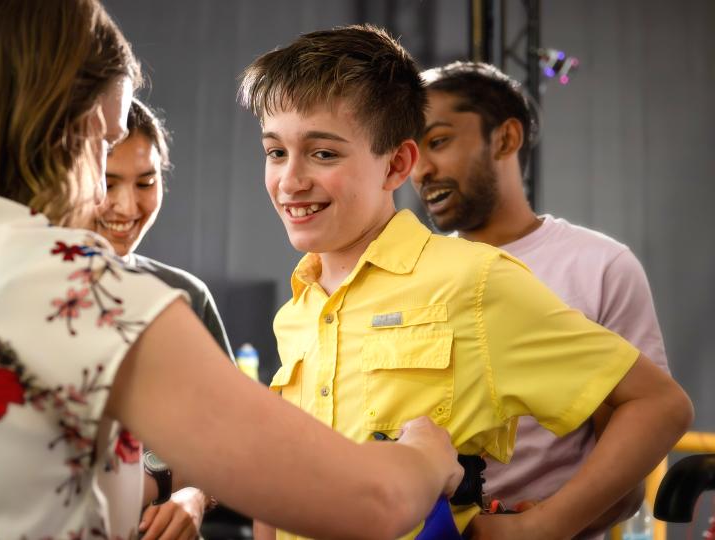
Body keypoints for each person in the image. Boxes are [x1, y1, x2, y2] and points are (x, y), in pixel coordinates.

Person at [0, 1, 465, 539]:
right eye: (104, 136)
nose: (103, 188)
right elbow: (368, 502)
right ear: (57, 123)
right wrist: (426, 453)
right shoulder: (67, 283)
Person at [238, 24, 692, 540]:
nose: (290, 180)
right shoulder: (299, 308)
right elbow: (280, 475)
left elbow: (659, 405)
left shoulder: (473, 281)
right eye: (276, 152)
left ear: (396, 164)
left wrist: (545, 525)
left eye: (324, 153)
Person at [411, 61, 672, 538]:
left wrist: (542, 524)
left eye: (439, 140)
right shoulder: (409, 270)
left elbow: (631, 458)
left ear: (506, 139)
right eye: (410, 149)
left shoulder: (599, 267)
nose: (421, 168)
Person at [94, 99, 234, 539]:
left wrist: (193, 493)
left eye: (146, 182)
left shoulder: (185, 296)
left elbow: (230, 441)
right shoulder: (25, 292)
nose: (127, 205)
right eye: (107, 182)